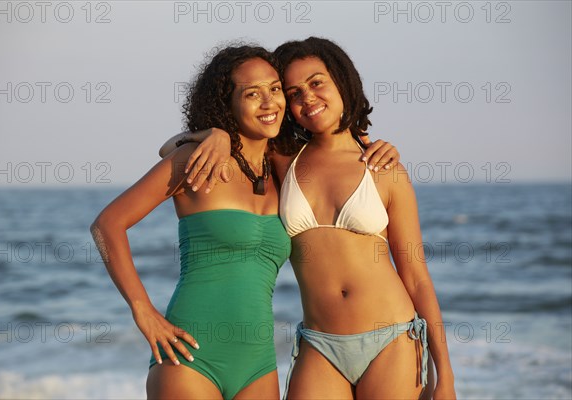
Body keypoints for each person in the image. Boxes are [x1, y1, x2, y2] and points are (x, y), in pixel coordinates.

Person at [164, 37, 456, 399]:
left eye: (317, 83)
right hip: (320, 346)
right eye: (294, 91)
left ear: (342, 83)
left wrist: (444, 374)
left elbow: (416, 276)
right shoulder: (282, 159)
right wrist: (214, 134)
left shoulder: (384, 168)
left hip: (391, 337)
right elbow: (170, 149)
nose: (307, 98)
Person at [91, 45, 291, 400]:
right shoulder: (195, 162)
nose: (268, 102)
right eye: (252, 93)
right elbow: (107, 225)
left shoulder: (282, 168)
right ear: (225, 102)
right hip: (191, 357)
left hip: (259, 364)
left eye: (274, 89)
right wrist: (143, 309)